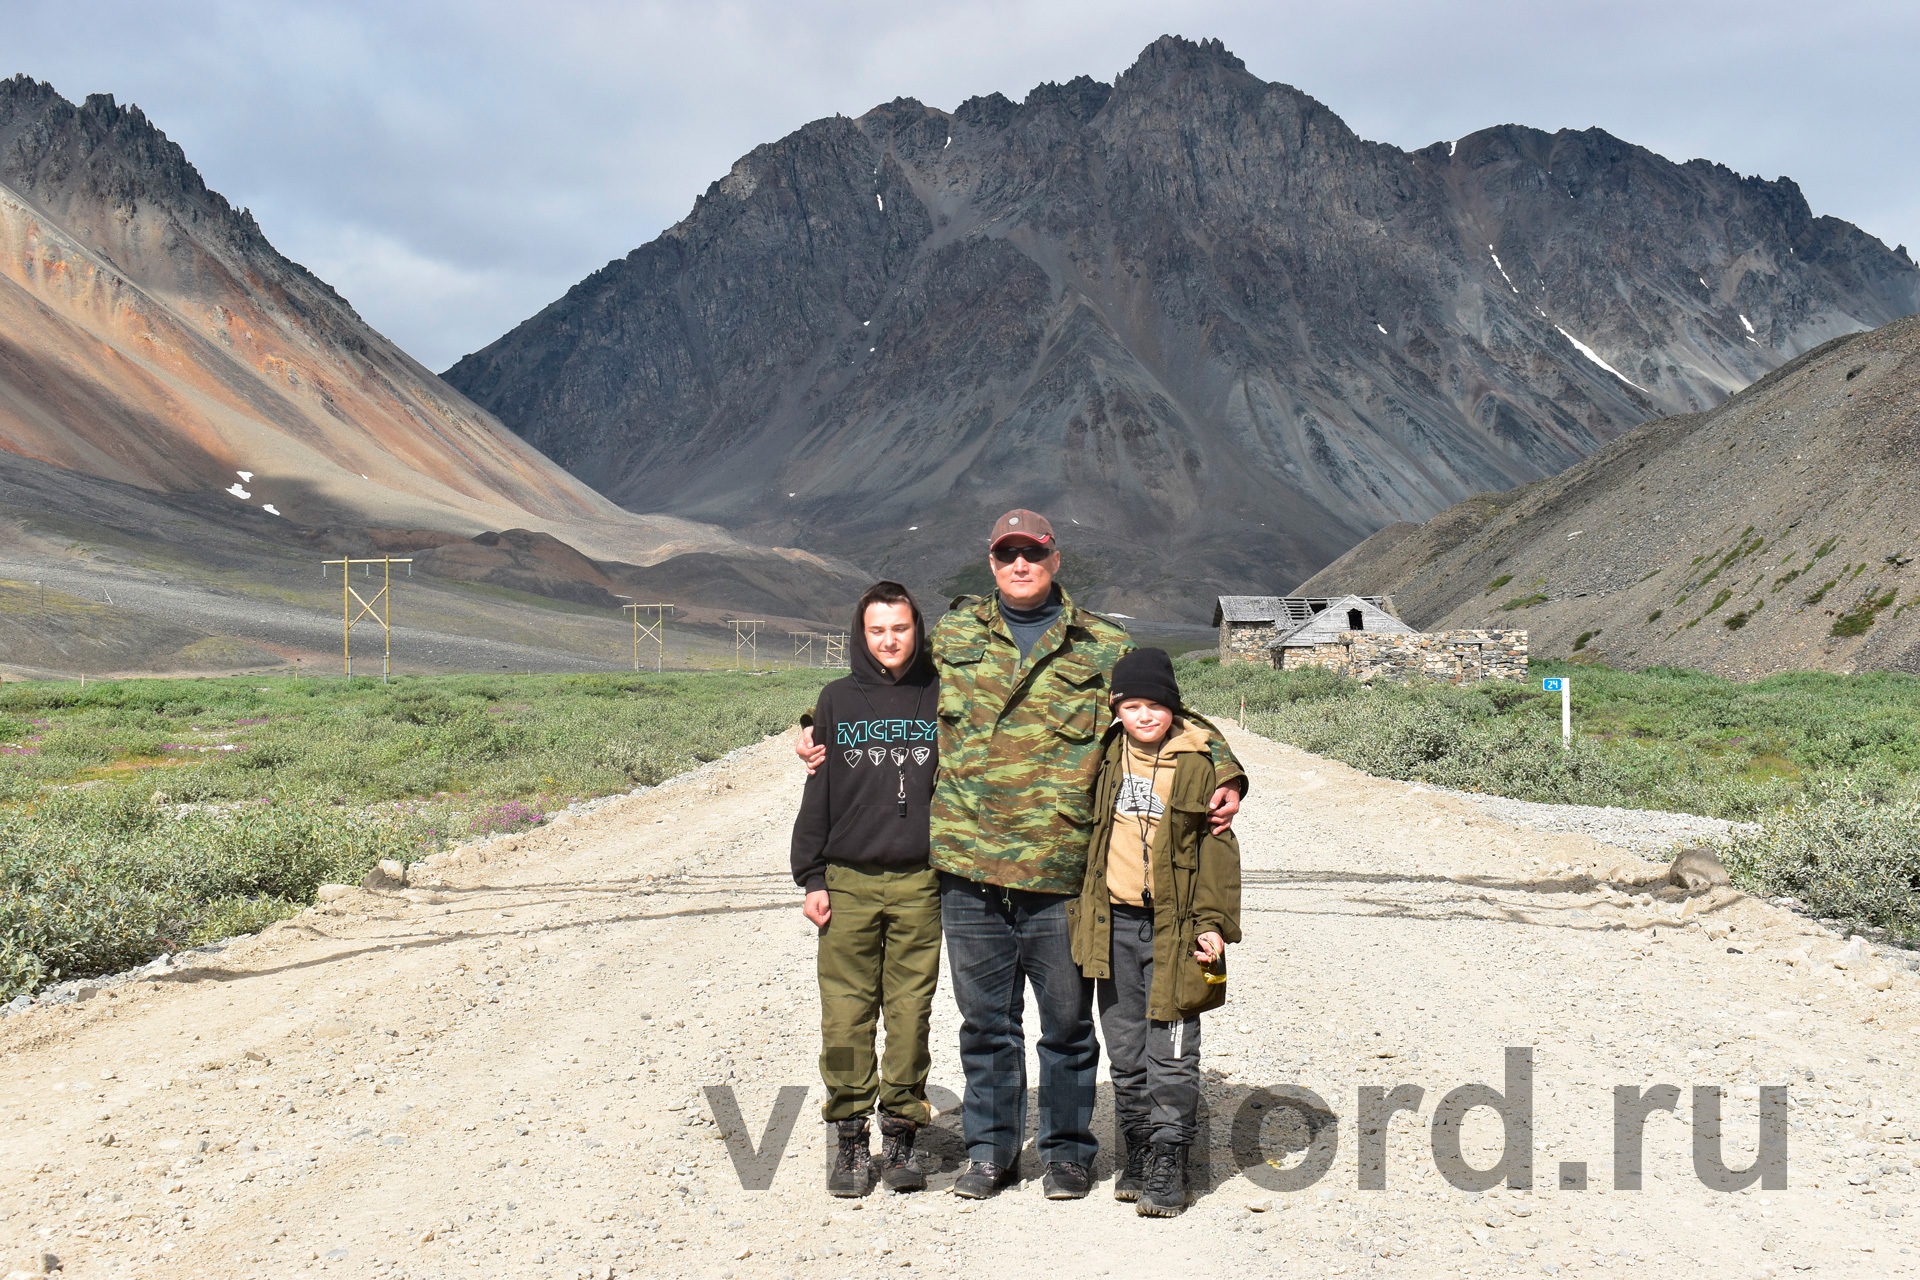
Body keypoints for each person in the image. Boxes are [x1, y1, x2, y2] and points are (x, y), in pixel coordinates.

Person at [796, 509, 1246, 1201]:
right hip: (968, 872)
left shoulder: (1100, 645)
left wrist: (1224, 768)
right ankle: (990, 1152)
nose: (1019, 564)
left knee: (1066, 1029)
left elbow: (1166, 711)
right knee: (985, 1027)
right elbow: (883, 684)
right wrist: (812, 726)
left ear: (1054, 559)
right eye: (1006, 554)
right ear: (992, 562)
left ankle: (1067, 1153)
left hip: (1060, 872)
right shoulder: (954, 634)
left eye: (1031, 553)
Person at [1068, 648, 1241, 1217]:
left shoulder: (1198, 764)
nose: (1144, 716)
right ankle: (1138, 1148)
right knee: (1124, 1049)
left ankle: (1171, 1159)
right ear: (1117, 709)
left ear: (1173, 706)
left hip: (1175, 929)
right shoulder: (1105, 755)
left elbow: (1218, 850)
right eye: (1132, 705)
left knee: (1172, 1048)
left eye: (1156, 705)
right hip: (1112, 924)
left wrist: (1213, 924)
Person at [790, 581, 942, 1197]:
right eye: (877, 630)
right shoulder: (834, 700)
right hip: (848, 883)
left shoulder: (942, 695)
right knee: (847, 1015)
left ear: (916, 630)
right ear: (861, 634)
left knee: (911, 1012)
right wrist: (812, 875)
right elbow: (818, 791)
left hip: (921, 883)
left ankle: (903, 1128)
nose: (889, 640)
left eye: (900, 628)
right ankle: (850, 1135)